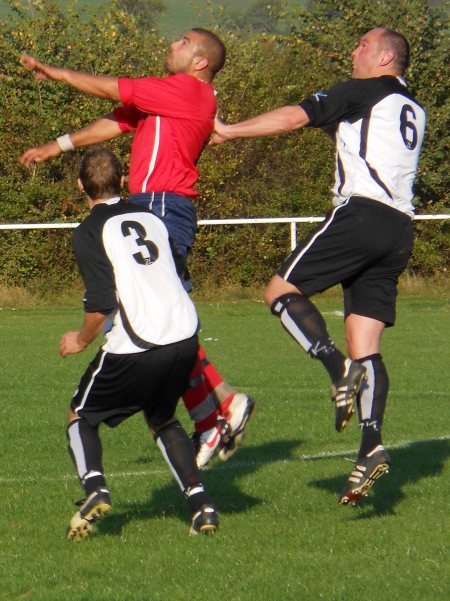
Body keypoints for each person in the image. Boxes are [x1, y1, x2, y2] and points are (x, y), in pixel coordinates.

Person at [19, 28, 254, 469]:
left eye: (183, 41)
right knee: (160, 316)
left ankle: (225, 400)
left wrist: (54, 73)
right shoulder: (168, 99)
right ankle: (210, 415)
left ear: (201, 61)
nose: (172, 43)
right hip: (153, 204)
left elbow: (111, 86)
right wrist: (56, 146)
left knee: (159, 317)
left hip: (162, 204)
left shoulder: (187, 91)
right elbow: (115, 120)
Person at [211, 27, 426, 504]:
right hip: (399, 229)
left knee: (279, 291)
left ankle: (336, 369)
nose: (354, 51)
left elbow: (294, 117)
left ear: (386, 56)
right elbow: (356, 134)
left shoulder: (364, 90)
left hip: (361, 214)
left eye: (363, 46)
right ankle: (371, 447)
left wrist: (229, 130)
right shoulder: (411, 107)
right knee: (367, 344)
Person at [61, 146, 218, 540]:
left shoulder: (89, 231)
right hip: (184, 336)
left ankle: (95, 486)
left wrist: (79, 340)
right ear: (124, 181)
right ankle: (202, 505)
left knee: (80, 416)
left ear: (82, 187)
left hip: (138, 343)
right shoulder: (152, 217)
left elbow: (100, 306)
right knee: (162, 418)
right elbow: (176, 271)